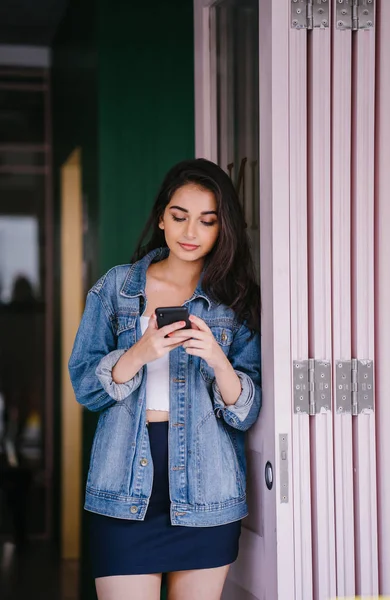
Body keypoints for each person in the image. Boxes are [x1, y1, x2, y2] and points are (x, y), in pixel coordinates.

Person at [69, 158, 262, 600]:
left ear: (222, 228)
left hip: (206, 492)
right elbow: (85, 386)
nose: (190, 232)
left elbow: (246, 410)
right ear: (161, 218)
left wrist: (217, 357)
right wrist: (140, 352)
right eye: (179, 216)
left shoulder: (234, 301)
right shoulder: (115, 289)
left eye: (206, 221)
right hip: (123, 487)